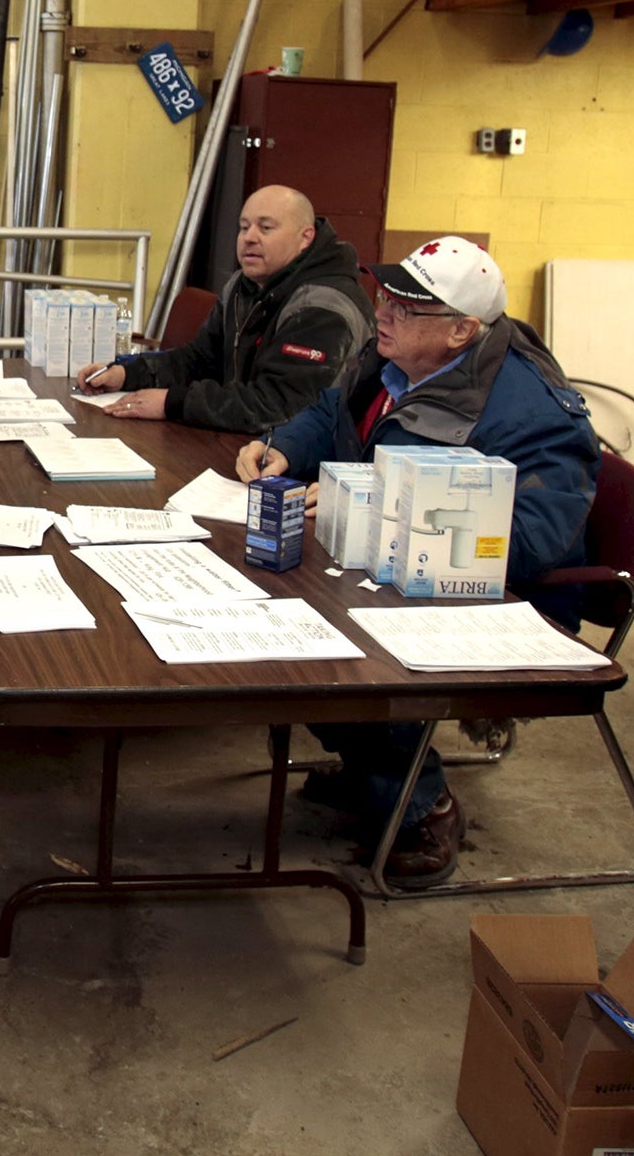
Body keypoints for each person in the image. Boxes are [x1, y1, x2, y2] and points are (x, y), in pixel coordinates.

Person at [235, 236, 600, 887]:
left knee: (335, 641)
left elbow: (535, 539)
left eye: (408, 308)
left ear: (463, 330)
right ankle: (372, 764)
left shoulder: (532, 415)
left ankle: (421, 803)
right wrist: (283, 446)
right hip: (390, 563)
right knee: (278, 614)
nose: (384, 312)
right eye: (387, 296)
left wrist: (386, 520)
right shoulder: (388, 361)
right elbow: (329, 412)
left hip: (503, 597)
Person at [77, 184, 371, 430]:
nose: (249, 237)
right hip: (242, 440)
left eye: (266, 228)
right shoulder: (244, 286)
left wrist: (172, 403)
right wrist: (128, 373)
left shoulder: (323, 306)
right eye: (244, 227)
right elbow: (201, 360)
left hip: (308, 464)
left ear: (305, 238)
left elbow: (280, 405)